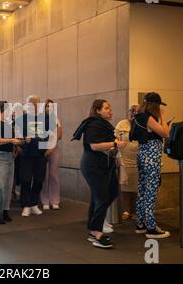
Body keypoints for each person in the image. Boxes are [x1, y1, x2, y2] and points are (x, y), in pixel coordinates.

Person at [73, 100, 126, 249]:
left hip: (103, 165)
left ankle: (93, 228)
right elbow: (94, 146)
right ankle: (96, 231)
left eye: (110, 108)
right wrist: (116, 144)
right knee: (101, 197)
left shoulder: (102, 124)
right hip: (92, 165)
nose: (111, 111)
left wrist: (115, 144)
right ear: (97, 110)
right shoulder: (94, 124)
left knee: (110, 192)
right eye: (107, 108)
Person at [131, 92, 170, 239]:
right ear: (155, 106)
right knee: (151, 191)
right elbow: (165, 133)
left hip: (142, 155)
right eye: (159, 106)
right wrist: (162, 117)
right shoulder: (149, 118)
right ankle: (151, 228)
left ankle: (141, 224)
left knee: (142, 189)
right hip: (151, 158)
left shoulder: (139, 117)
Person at [17, 95, 50, 217]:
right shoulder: (22, 119)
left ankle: (33, 203)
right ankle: (25, 205)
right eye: (29, 104)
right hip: (26, 154)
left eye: (34, 104)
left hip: (41, 154)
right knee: (25, 180)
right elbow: (15, 134)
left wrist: (49, 148)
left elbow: (51, 134)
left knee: (39, 180)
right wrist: (20, 145)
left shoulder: (46, 118)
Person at [115, 105, 140, 220]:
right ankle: (126, 210)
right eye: (131, 110)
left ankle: (135, 211)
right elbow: (115, 137)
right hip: (125, 159)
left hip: (138, 160)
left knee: (137, 187)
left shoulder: (141, 123)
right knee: (126, 186)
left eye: (136, 111)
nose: (133, 113)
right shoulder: (121, 124)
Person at [40, 99, 63, 210]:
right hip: (42, 149)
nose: (49, 108)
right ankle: (45, 200)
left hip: (54, 149)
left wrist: (51, 147)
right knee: (44, 175)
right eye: (47, 106)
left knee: (53, 175)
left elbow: (59, 135)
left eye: (51, 106)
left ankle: (55, 200)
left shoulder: (56, 119)